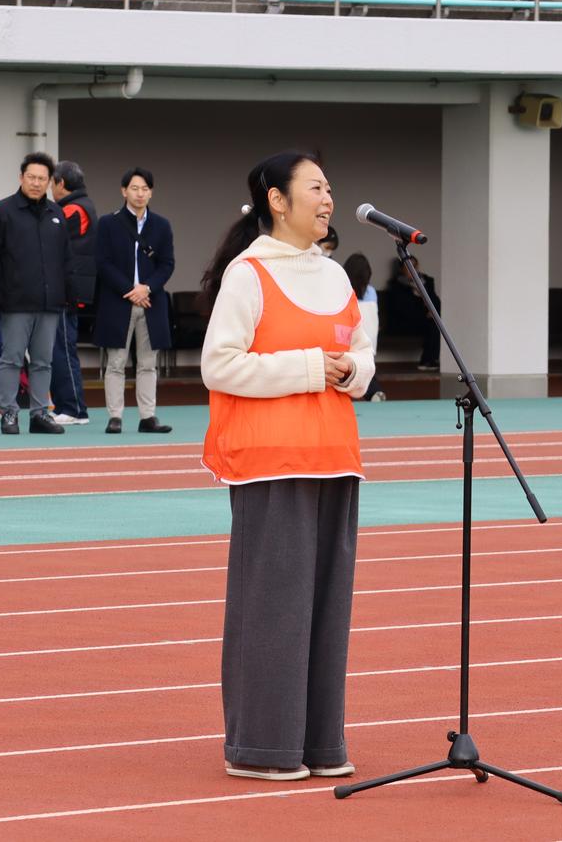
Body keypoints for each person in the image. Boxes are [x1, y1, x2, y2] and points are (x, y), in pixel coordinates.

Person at [199, 151, 375, 782]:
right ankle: (262, 747)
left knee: (327, 608)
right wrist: (306, 368)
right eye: (315, 188)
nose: (328, 199)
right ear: (277, 200)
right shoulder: (247, 274)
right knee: (275, 607)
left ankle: (320, 742)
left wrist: (356, 372)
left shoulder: (334, 276)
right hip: (271, 463)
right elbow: (218, 365)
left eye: (331, 187)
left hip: (335, 458)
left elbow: (360, 352)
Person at [0, 151, 72, 436]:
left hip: (49, 303)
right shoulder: (3, 212)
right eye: (31, 177)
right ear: (21, 178)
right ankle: (9, 412)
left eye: (42, 178)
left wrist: (68, 293)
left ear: (49, 181)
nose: (35, 183)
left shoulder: (56, 213)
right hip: (15, 301)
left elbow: (65, 258)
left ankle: (39, 414)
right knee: (11, 358)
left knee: (44, 361)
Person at [93, 167, 175, 434]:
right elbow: (102, 263)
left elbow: (167, 264)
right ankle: (115, 416)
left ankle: (147, 416)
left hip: (151, 302)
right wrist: (131, 290)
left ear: (151, 192)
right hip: (120, 301)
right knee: (116, 362)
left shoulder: (161, 225)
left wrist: (147, 288)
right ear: (124, 191)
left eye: (145, 189)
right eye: (135, 188)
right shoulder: (109, 223)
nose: (140, 194)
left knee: (148, 363)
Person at [48, 159, 98, 426]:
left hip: (68, 289)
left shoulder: (74, 209)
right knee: (60, 346)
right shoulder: (78, 206)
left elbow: (48, 237)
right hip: (69, 287)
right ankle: (67, 405)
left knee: (62, 348)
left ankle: (73, 408)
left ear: (61, 184)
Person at [381, 255, 442, 371]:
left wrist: (423, 293)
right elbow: (401, 309)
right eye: (409, 267)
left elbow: (436, 302)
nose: (412, 269)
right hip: (405, 323)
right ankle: (427, 360)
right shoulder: (396, 285)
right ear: (402, 269)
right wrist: (424, 312)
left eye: (414, 266)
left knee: (435, 323)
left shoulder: (427, 282)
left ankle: (430, 360)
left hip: (425, 321)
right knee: (432, 324)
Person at [344, 252, 385, 402]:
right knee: (367, 365)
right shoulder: (371, 292)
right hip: (370, 336)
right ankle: (374, 392)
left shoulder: (344, 290)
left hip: (349, 336)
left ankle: (373, 391)